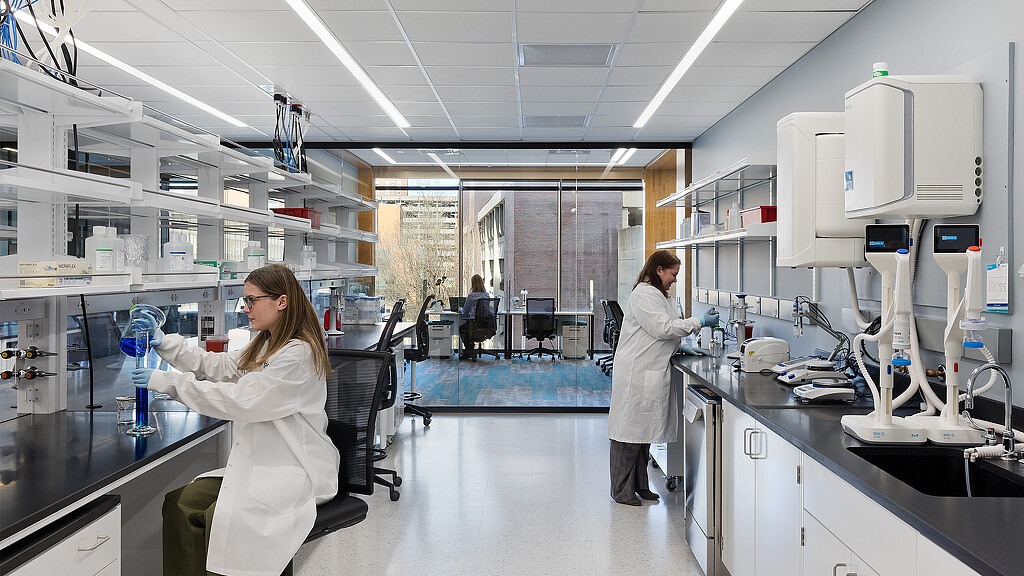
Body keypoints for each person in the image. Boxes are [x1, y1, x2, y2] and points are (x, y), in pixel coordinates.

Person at [130, 264, 340, 576]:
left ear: (281, 301)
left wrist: (168, 382)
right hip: (259, 464)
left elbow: (242, 402)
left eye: (252, 300)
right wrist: (163, 342)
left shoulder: (298, 354)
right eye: (245, 300)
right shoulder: (268, 342)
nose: (245, 308)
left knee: (221, 521)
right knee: (179, 504)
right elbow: (216, 365)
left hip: (294, 469)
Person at [607, 250, 719, 506]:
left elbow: (659, 331)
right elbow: (662, 328)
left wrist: (681, 346)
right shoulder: (645, 294)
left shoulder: (658, 295)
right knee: (627, 436)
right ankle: (620, 491)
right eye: (673, 274)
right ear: (659, 270)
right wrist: (699, 321)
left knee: (642, 436)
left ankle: (640, 486)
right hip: (636, 373)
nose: (675, 279)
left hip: (648, 369)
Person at [458, 273, 492, 360]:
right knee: (467, 329)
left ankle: (469, 351)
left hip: (474, 326)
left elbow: (465, 311)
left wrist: (460, 309)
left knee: (462, 329)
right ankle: (470, 351)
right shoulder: (486, 294)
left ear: (472, 284)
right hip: (487, 325)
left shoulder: (471, 296)